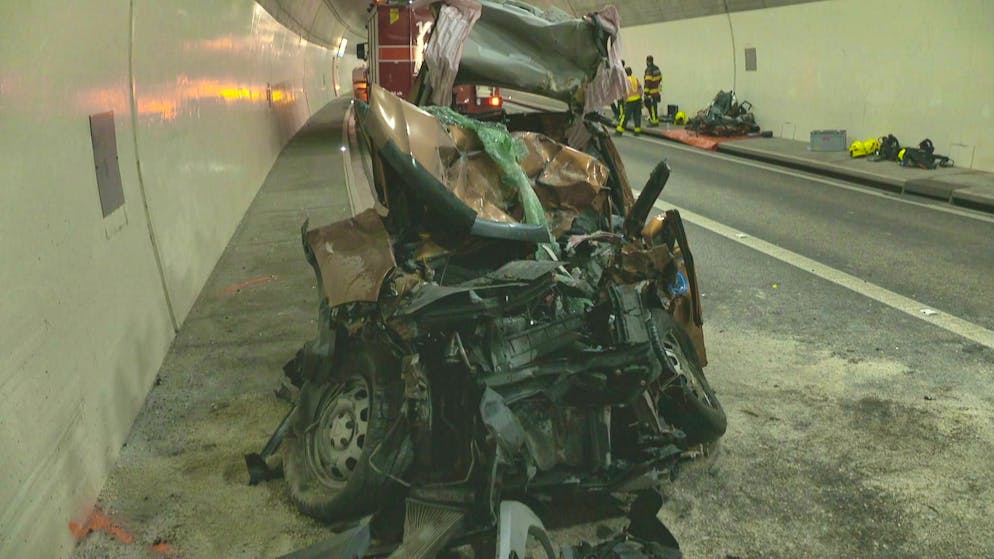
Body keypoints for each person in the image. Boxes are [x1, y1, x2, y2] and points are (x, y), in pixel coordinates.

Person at [616, 67, 642, 136]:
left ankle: (619, 130)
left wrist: (623, 100)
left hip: (630, 101)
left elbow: (623, 92)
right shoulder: (635, 79)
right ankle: (637, 131)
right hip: (638, 100)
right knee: (637, 116)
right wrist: (640, 98)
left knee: (625, 116)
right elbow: (640, 89)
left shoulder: (625, 80)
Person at [643, 55, 662, 126]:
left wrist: (646, 93)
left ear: (647, 61)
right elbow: (660, 78)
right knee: (654, 106)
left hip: (651, 92)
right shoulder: (657, 68)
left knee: (651, 107)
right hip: (656, 91)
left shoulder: (649, 70)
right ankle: (655, 120)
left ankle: (654, 121)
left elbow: (648, 82)